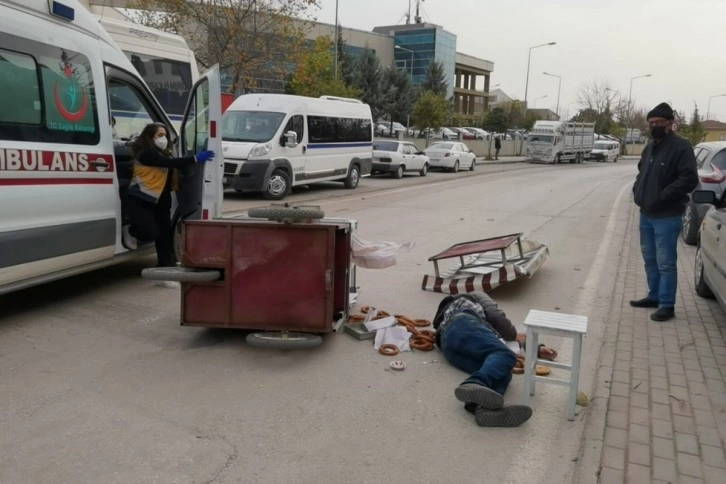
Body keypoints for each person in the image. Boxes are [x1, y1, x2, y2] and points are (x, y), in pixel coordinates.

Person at [433, 292, 556, 427]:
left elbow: (508, 338)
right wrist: (513, 333)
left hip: (448, 347)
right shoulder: (475, 298)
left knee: (503, 371)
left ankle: (481, 407)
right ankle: (475, 383)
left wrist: (537, 348)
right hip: (462, 324)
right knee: (507, 355)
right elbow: (498, 319)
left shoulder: (450, 324)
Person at [631, 102, 698, 321]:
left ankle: (667, 304)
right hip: (646, 214)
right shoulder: (651, 145)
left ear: (670, 123)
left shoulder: (681, 147)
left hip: (667, 216)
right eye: (651, 123)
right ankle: (654, 296)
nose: (655, 126)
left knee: (666, 262)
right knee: (649, 258)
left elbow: (689, 179)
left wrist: (662, 196)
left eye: (659, 122)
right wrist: (637, 189)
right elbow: (642, 171)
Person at [123, 122, 215, 271]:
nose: (163, 138)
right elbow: (169, 163)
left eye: (165, 135)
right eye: (160, 135)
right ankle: (130, 231)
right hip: (141, 198)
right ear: (150, 137)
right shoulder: (146, 153)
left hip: (161, 198)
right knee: (151, 232)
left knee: (164, 234)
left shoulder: (164, 151)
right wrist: (196, 159)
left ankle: (165, 266)